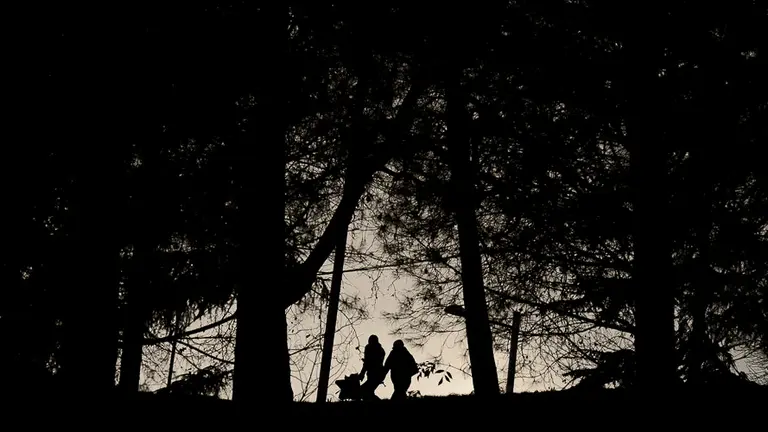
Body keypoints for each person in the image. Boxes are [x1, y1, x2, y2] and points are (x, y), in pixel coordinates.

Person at [359, 335, 386, 400]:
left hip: (376, 374)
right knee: (368, 392)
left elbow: (368, 363)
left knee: (365, 392)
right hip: (374, 374)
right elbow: (368, 362)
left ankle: (382, 406)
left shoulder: (372, 348)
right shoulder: (380, 349)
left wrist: (362, 373)